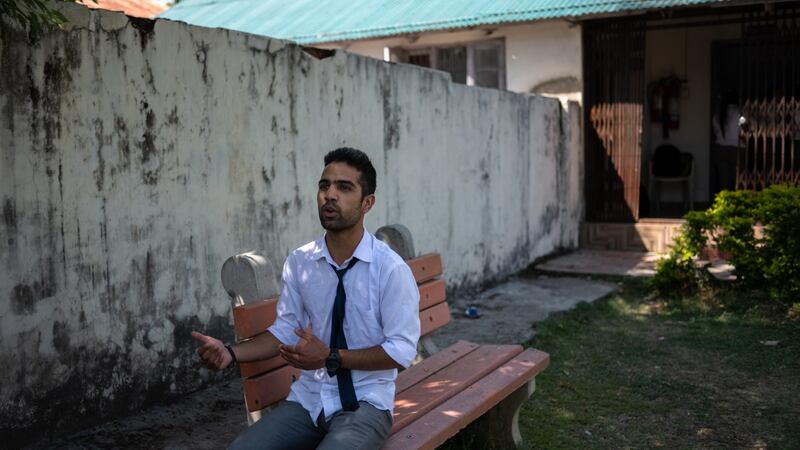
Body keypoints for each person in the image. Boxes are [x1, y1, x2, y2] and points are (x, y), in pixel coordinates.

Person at [192, 148, 421, 450]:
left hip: (365, 404)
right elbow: (285, 331)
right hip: (309, 399)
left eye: (344, 187)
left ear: (368, 203)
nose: (330, 195)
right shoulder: (301, 262)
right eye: (324, 185)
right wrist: (230, 353)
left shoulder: (389, 269)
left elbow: (402, 350)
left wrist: (331, 357)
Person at [711, 91, 743, 196]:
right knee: (738, 182)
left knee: (723, 182)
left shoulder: (717, 114)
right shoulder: (740, 113)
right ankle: (736, 206)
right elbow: (747, 128)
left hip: (720, 149)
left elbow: (716, 132)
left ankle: (723, 205)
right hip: (736, 149)